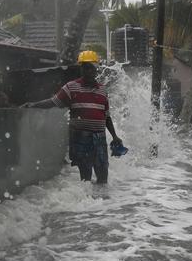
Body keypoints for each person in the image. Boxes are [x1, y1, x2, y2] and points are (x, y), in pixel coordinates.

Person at [22, 50, 124, 184]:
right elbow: (53, 102)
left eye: (91, 68)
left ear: (96, 69)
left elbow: (106, 116)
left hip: (99, 137)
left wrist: (115, 136)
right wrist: (33, 105)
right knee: (86, 177)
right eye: (85, 68)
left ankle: (103, 202)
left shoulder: (102, 90)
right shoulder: (71, 87)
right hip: (81, 137)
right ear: (81, 69)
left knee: (103, 176)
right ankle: (88, 203)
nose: (89, 71)